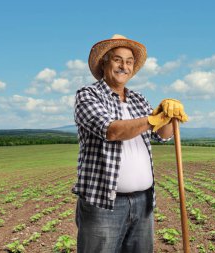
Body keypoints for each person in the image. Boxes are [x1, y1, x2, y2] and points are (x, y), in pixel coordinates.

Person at [73, 34, 188, 253]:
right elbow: (111, 130)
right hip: (104, 203)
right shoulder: (88, 95)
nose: (123, 66)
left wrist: (169, 116)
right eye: (117, 59)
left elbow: (161, 135)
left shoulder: (138, 99)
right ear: (105, 62)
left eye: (129, 61)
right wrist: (153, 118)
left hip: (143, 201)